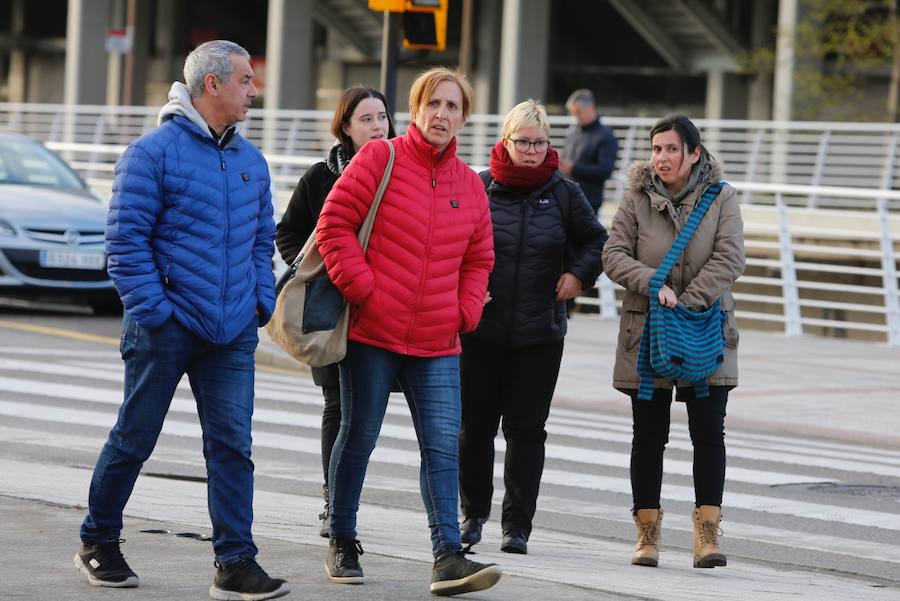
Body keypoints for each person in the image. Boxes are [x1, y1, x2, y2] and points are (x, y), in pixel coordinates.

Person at [74, 40, 289, 601]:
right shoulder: (152, 153)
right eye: (244, 80)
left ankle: (236, 562)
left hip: (232, 330)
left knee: (232, 446)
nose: (253, 90)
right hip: (166, 327)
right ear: (211, 85)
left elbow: (262, 239)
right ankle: (98, 540)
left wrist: (261, 301)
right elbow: (124, 243)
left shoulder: (250, 160)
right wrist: (155, 312)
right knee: (135, 437)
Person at [316, 67, 502, 596]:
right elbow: (333, 226)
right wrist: (365, 291)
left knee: (443, 446)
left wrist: (465, 311)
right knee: (358, 437)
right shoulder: (381, 157)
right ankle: (343, 539)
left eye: (453, 106)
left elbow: (480, 258)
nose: (442, 114)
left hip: (438, 341)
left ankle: (447, 556)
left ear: (464, 117)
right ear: (416, 110)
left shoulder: (470, 184)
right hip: (372, 333)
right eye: (433, 104)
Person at [458, 99, 607, 555]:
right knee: (474, 428)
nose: (531, 150)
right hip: (480, 331)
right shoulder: (479, 187)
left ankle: (516, 526)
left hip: (539, 334)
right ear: (506, 141)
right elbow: (452, 244)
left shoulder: (563, 192)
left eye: (540, 143)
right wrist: (463, 290)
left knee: (526, 431)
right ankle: (473, 515)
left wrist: (578, 274)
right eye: (523, 141)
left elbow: (597, 241)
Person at [601, 114, 745, 569]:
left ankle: (707, 534)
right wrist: (652, 283)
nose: (662, 157)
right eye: (656, 149)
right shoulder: (636, 199)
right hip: (647, 333)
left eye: (671, 149)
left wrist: (687, 301)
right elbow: (613, 254)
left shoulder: (722, 198)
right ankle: (647, 535)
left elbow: (730, 256)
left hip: (705, 329)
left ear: (694, 153)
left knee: (708, 433)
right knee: (648, 436)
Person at [275, 85, 395, 538]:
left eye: (382, 117)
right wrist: (311, 269)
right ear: (345, 126)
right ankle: (335, 503)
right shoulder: (320, 178)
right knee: (336, 407)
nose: (377, 126)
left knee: (366, 411)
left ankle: (345, 499)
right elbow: (287, 234)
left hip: (382, 308)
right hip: (332, 308)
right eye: (366, 119)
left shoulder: (401, 172)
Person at [560, 89, 619, 215]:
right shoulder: (573, 133)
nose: (575, 116)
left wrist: (574, 169)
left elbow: (605, 171)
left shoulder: (606, 136)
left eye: (578, 112)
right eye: (573, 113)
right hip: (566, 198)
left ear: (591, 107)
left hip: (588, 202)